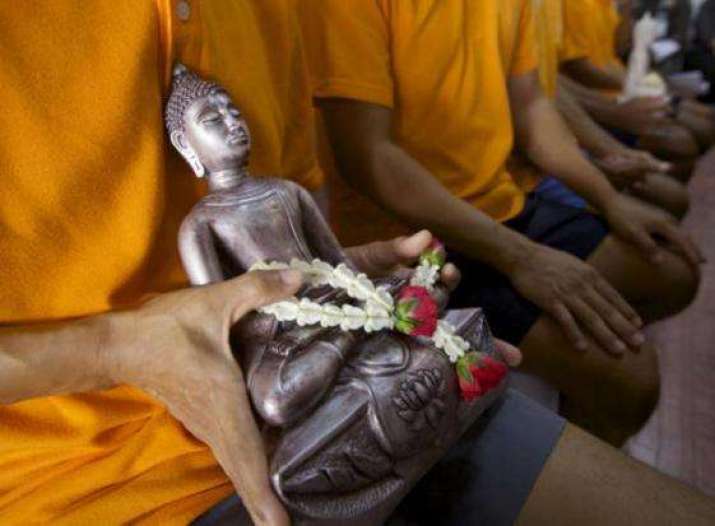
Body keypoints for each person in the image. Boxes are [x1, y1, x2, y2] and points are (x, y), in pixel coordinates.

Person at [299, 0, 704, 446]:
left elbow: (531, 105)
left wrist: (610, 200)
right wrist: (523, 258)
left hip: (504, 206)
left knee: (670, 270)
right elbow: (367, 157)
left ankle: (567, 418)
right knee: (633, 378)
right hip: (414, 238)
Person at [520, 0, 690, 219]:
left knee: (675, 177)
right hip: (531, 151)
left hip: (568, 119)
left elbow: (617, 48)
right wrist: (612, 114)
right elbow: (568, 71)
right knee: (676, 172)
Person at [560, 0, 714, 164]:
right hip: (601, 97)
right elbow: (580, 69)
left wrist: (626, 8)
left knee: (708, 119)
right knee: (685, 140)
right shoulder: (573, 4)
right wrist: (635, 85)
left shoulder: (603, 4)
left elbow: (619, 48)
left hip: (624, 87)